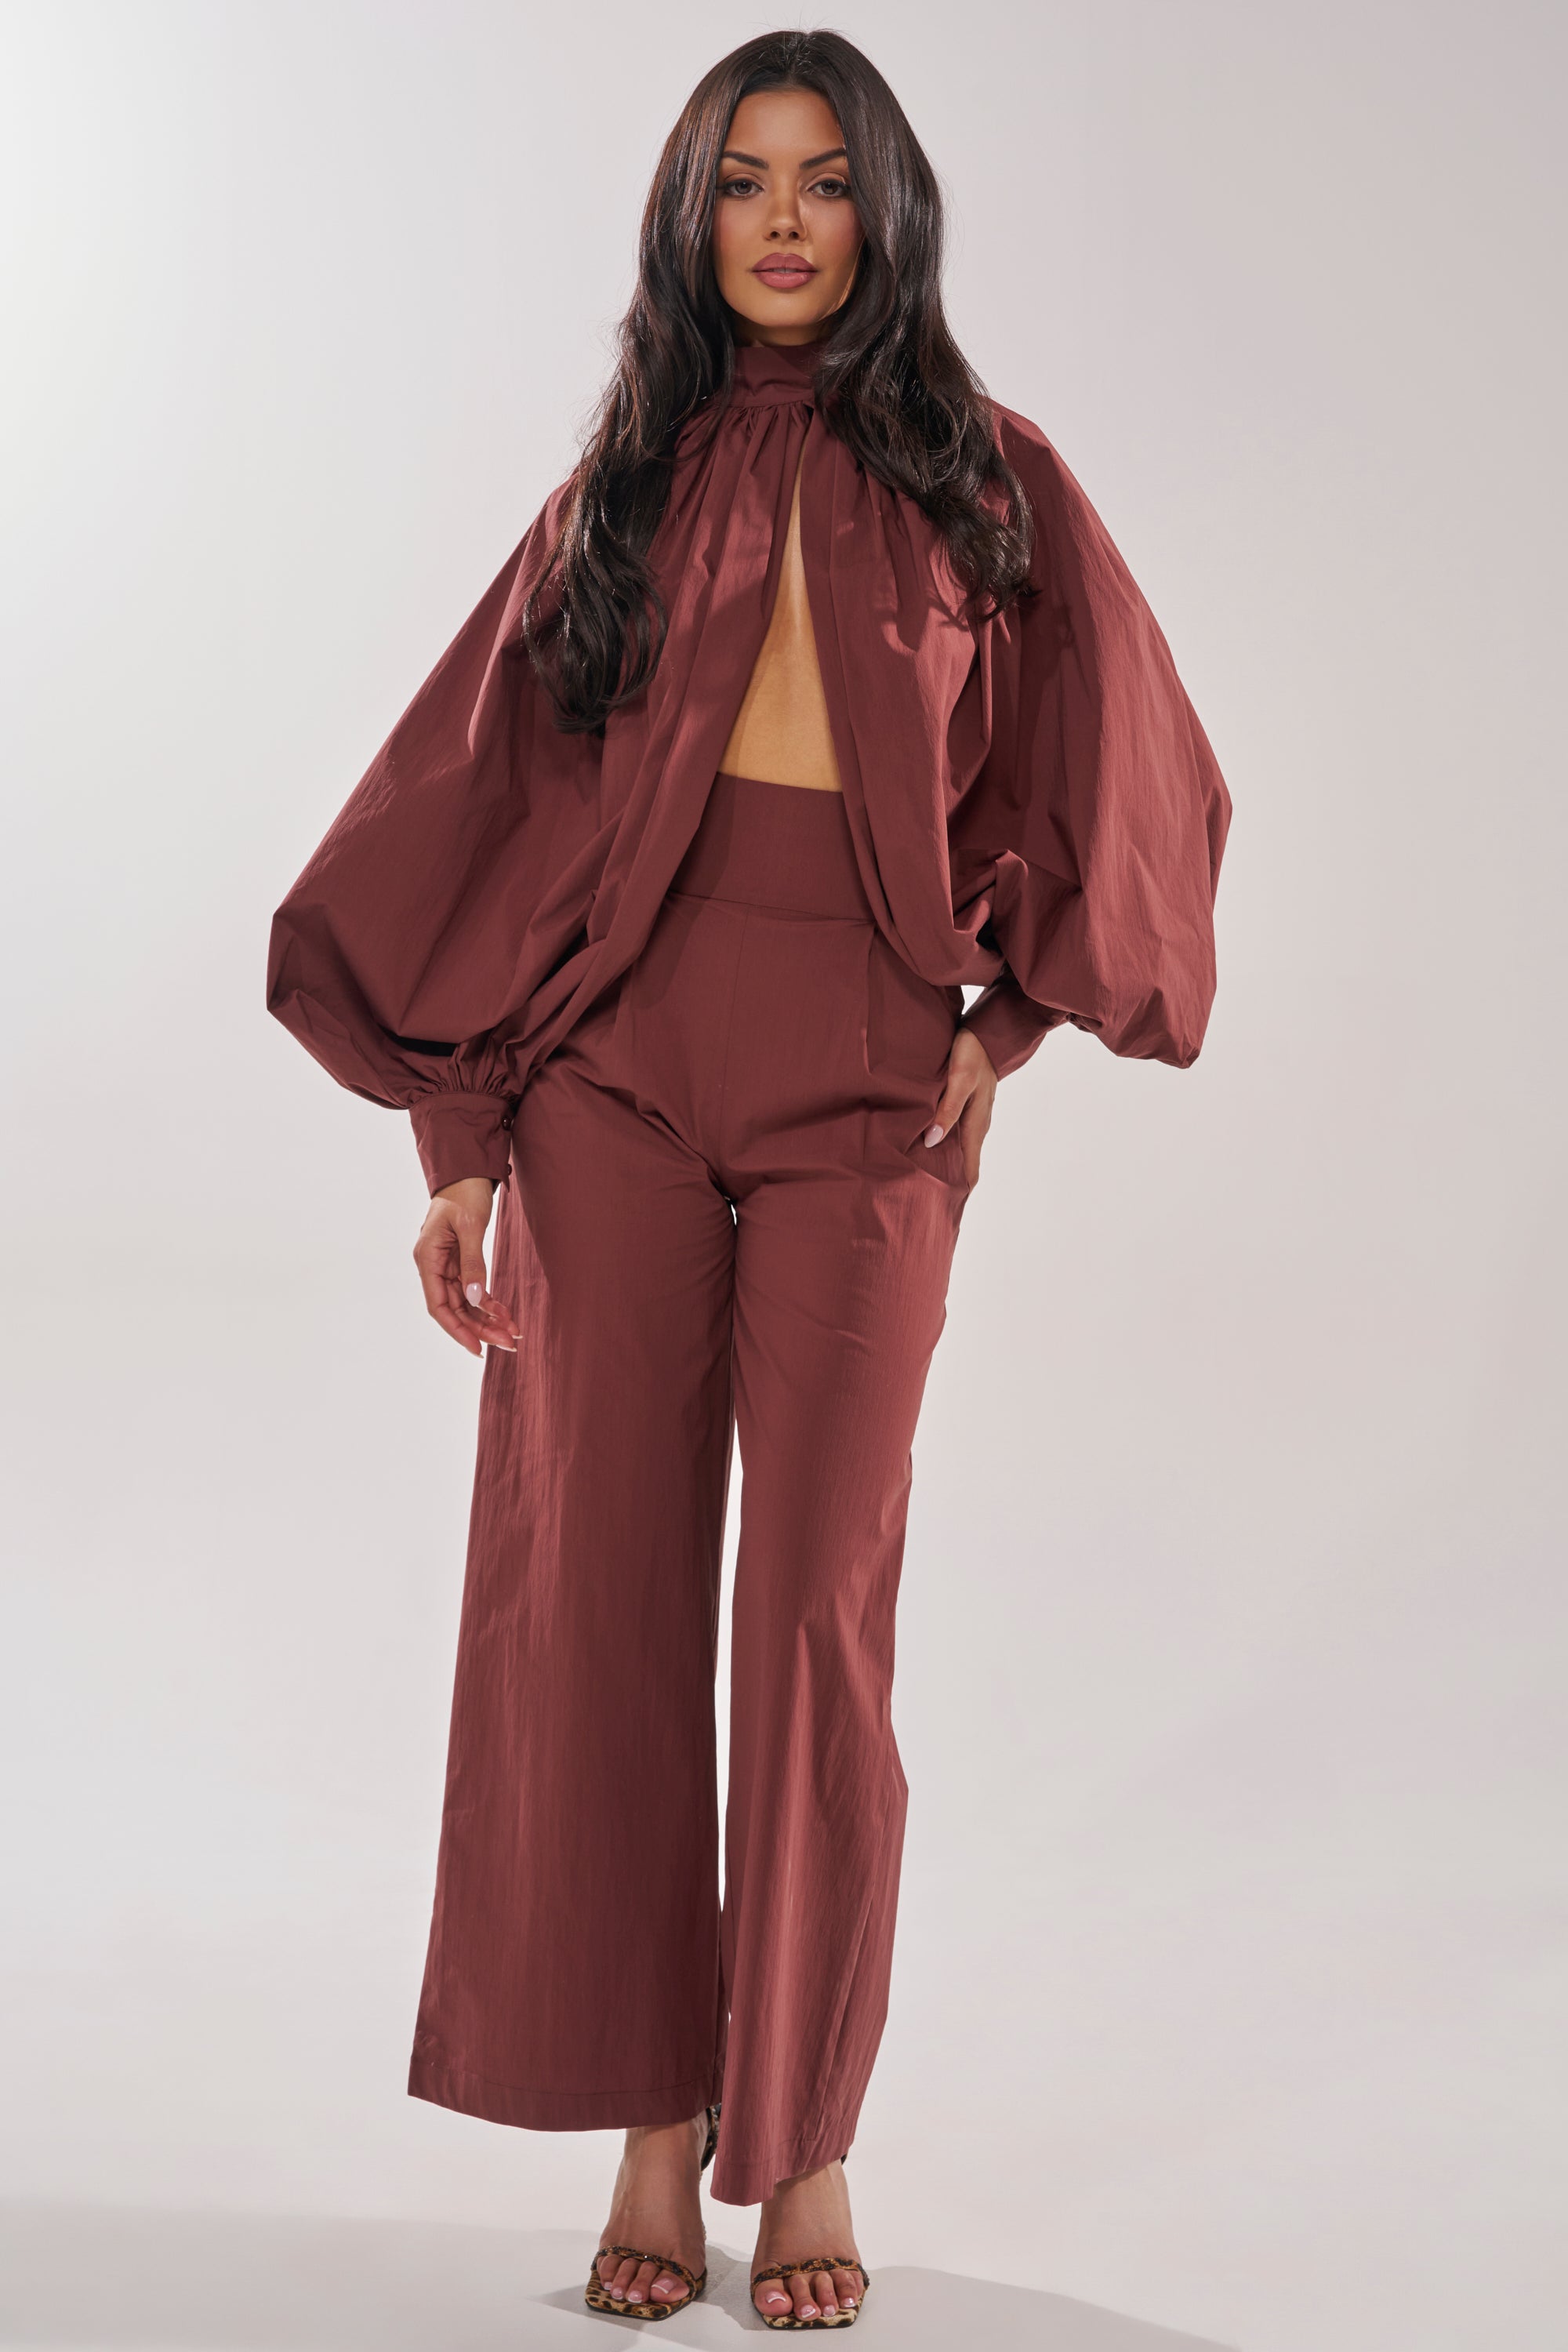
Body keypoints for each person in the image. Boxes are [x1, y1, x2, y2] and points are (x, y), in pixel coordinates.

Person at [266, 27, 1232, 2332]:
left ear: (885, 214)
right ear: (692, 224)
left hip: (866, 1093)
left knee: (813, 1610)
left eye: (821, 180)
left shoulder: (996, 489)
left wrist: (1003, 1031)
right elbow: (482, 799)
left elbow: (1137, 786)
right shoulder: (631, 478)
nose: (781, 217)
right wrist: (459, 1134)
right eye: (739, 182)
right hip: (611, 1072)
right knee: (594, 1590)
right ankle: (656, 2120)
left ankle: (805, 2134)